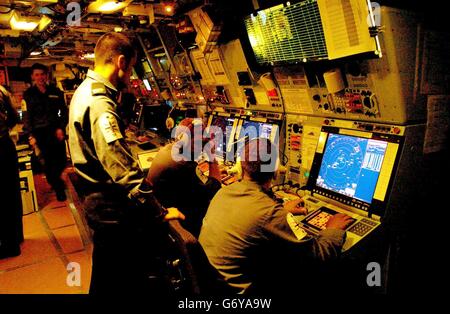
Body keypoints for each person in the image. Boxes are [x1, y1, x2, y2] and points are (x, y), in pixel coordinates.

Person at [68, 32, 184, 295]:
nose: (131, 77)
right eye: (131, 69)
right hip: (111, 209)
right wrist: (160, 212)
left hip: (98, 204)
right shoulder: (100, 105)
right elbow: (127, 175)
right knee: (123, 278)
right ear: (121, 62)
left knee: (108, 274)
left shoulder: (85, 91)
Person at [199, 138, 354, 294]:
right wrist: (333, 229)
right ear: (275, 171)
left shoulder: (224, 192)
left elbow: (256, 217)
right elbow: (319, 256)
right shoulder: (270, 213)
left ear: (242, 167)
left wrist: (281, 211)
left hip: (209, 284)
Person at [147, 117, 222, 237]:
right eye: (200, 142)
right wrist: (212, 157)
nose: (203, 146)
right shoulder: (184, 164)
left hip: (163, 214)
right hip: (183, 225)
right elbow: (214, 189)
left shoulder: (168, 150)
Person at [22, 63, 68, 201]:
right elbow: (26, 116)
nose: (40, 77)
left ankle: (55, 181)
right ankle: (59, 187)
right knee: (48, 163)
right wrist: (30, 135)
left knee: (61, 161)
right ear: (32, 77)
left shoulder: (55, 91)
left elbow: (63, 112)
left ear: (46, 75)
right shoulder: (29, 95)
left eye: (42, 74)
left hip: (56, 131)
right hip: (40, 133)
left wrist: (61, 127)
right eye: (37, 75)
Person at [0, 85, 24, 259]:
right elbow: (15, 117)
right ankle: (17, 236)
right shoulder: (2, 90)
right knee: (12, 193)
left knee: (3, 198)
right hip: (6, 144)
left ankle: (9, 245)